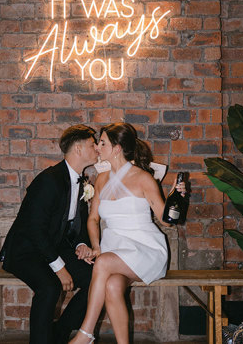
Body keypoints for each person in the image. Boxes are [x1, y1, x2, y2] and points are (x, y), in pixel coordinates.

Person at [70, 122, 186, 344]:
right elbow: (93, 219)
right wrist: (96, 246)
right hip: (116, 250)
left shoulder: (143, 178)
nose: (97, 147)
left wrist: (176, 198)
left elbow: (167, 222)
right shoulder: (102, 179)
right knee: (112, 285)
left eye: (102, 143)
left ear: (116, 148)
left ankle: (85, 334)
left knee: (103, 263)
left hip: (145, 249)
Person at [0, 124, 99, 344]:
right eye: (93, 145)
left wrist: (82, 244)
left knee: (96, 278)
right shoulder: (49, 180)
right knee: (49, 286)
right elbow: (35, 229)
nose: (97, 149)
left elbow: (78, 224)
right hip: (26, 251)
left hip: (53, 247)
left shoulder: (82, 182)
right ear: (78, 149)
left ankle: (60, 332)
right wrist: (60, 267)